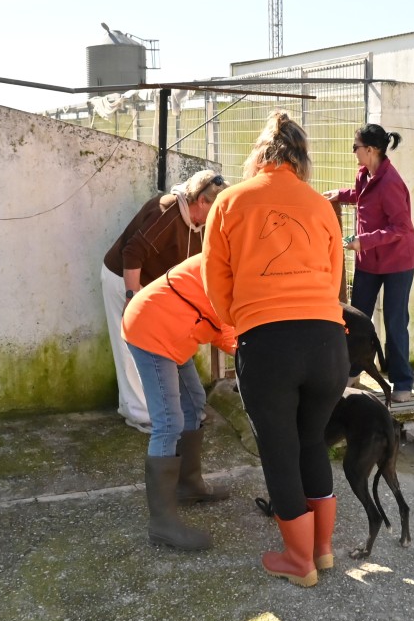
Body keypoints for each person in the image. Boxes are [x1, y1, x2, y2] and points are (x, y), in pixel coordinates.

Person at [203, 110, 349, 588]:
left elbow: (215, 279)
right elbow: (335, 277)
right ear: (302, 158)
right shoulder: (320, 206)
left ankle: (299, 561)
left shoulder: (230, 201)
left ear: (259, 154)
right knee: (312, 441)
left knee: (280, 450)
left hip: (268, 342)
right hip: (328, 342)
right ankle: (322, 550)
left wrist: (240, 320)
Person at [122, 252, 237, 551]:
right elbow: (224, 324)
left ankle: (189, 485)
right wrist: (249, 352)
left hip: (175, 331)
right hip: (151, 330)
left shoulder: (237, 261)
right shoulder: (224, 263)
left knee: (194, 404)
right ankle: (162, 524)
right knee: (169, 423)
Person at [101, 170, 228, 432]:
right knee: (130, 348)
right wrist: (131, 298)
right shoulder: (167, 211)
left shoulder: (201, 223)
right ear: (201, 201)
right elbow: (132, 252)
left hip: (153, 287)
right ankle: (138, 414)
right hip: (124, 279)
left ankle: (179, 410)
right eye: (215, 209)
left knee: (164, 344)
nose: (218, 216)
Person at [323, 124, 414, 401]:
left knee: (394, 321)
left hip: (397, 262)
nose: (354, 151)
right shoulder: (364, 174)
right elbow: (363, 197)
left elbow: (401, 227)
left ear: (372, 150)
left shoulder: (391, 182)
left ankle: (402, 382)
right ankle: (353, 371)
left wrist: (364, 241)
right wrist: (341, 194)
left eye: (356, 147)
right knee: (356, 318)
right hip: (369, 261)